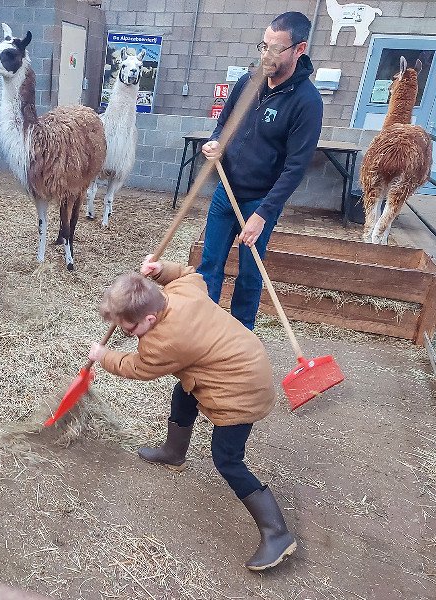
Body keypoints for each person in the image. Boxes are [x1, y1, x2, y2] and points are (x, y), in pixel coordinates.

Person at [88, 259, 296, 570]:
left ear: (148, 318)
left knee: (227, 459)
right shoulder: (182, 291)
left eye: (129, 329)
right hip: (246, 359)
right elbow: (188, 274)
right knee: (184, 392)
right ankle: (174, 453)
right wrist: (160, 271)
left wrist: (104, 356)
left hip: (240, 391)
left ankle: (276, 533)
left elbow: (137, 367)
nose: (126, 334)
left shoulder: (164, 341)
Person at [198, 11, 323, 330]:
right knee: (208, 267)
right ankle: (204, 339)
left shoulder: (307, 102)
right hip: (225, 193)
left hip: (259, 203)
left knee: (249, 277)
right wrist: (215, 143)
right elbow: (223, 124)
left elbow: (295, 168)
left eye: (275, 48)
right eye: (263, 45)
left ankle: (239, 342)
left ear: (299, 49)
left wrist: (263, 213)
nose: (267, 54)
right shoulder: (247, 83)